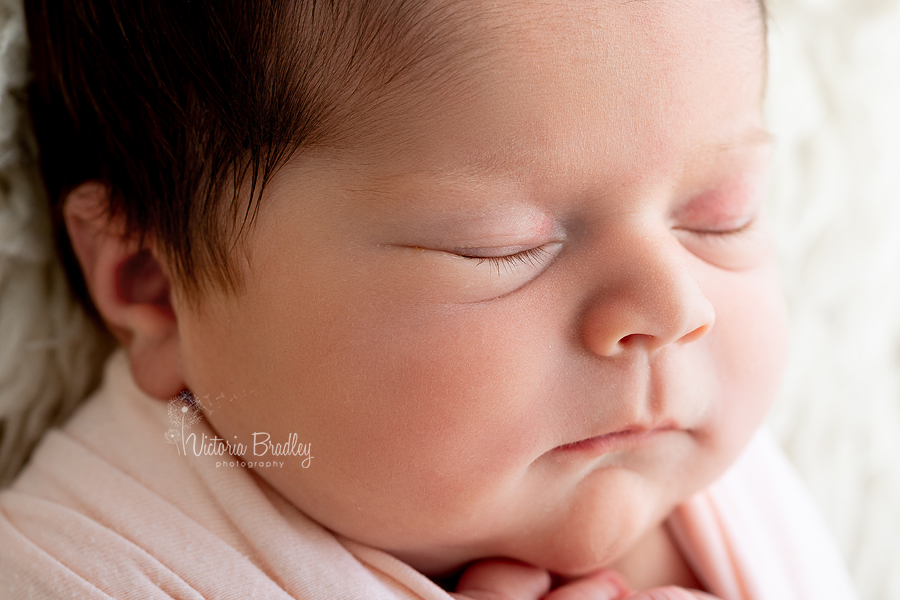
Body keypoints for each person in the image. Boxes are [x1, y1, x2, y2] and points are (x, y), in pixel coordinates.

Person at [0, 1, 858, 598]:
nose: (675, 309)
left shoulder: (713, 470)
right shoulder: (85, 571)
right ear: (153, 286)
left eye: (719, 217)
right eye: (502, 245)